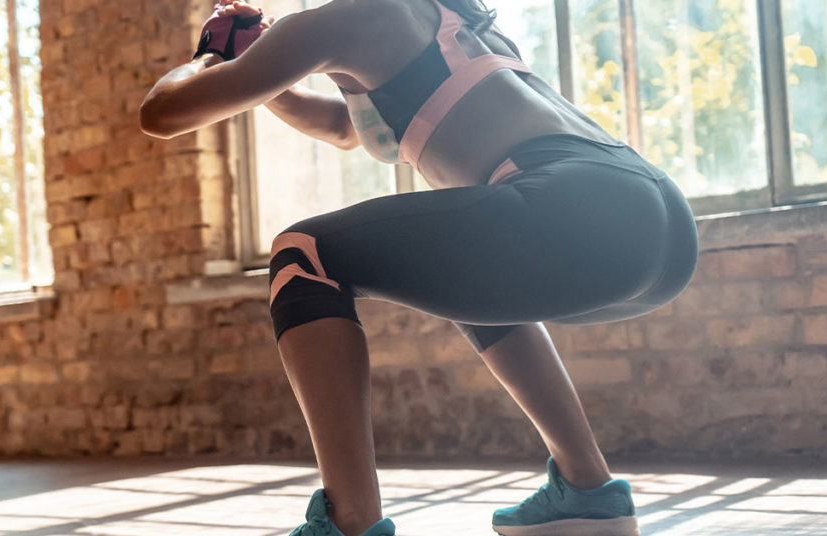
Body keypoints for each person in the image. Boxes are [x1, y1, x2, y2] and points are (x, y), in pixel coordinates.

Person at [140, 0, 698, 534]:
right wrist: (258, 68)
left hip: (574, 207)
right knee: (466, 271)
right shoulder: (453, 17)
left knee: (301, 252)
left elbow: (162, 114)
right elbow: (346, 127)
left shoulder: (349, 17)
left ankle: (349, 522)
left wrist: (211, 55)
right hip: (654, 225)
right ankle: (588, 491)